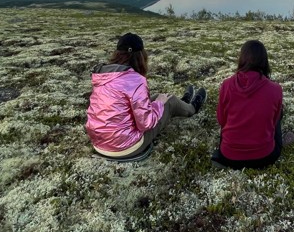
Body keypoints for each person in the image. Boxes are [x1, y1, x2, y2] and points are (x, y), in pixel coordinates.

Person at [86, 32, 206, 161]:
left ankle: (182, 103)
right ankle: (191, 108)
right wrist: (160, 103)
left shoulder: (102, 75)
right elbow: (146, 124)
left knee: (154, 97)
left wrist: (156, 100)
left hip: (99, 143)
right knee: (169, 101)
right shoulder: (135, 80)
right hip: (126, 148)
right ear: (140, 56)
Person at [212, 40, 287, 170]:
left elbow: (221, 120)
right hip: (265, 156)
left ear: (241, 59)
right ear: (265, 61)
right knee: (278, 114)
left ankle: (224, 154)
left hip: (228, 156)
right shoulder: (276, 89)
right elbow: (273, 123)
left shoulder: (226, 85)